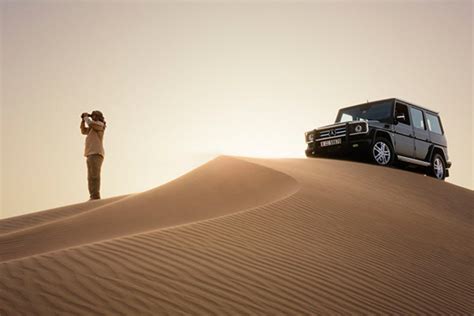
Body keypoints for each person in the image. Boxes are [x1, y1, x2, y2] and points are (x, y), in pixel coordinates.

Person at [80, 110, 106, 200]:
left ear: (99, 116)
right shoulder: (92, 128)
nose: (93, 117)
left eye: (95, 115)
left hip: (96, 153)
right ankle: (92, 195)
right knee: (90, 177)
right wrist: (83, 120)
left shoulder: (100, 125)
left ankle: (96, 196)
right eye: (92, 116)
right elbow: (83, 131)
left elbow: (91, 124)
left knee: (95, 176)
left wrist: (86, 117)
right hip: (90, 153)